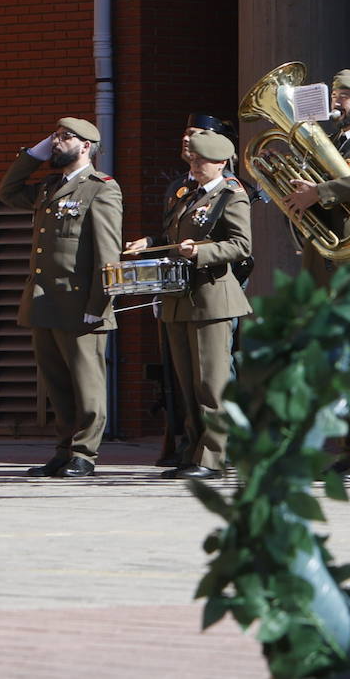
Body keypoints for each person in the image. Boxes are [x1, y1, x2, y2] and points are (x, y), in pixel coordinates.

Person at [0, 117, 122, 478]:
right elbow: (7, 191)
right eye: (54, 136)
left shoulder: (101, 188)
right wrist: (33, 155)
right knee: (57, 384)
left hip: (80, 303)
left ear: (86, 146)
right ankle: (64, 450)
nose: (56, 142)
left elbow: (108, 253)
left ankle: (85, 453)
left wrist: (99, 304)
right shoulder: (50, 186)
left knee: (87, 384)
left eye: (65, 137)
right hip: (45, 301)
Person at [282, 70, 350, 482]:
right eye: (335, 94)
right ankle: (348, 447)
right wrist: (298, 198)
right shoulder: (331, 142)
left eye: (345, 96)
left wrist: (319, 192)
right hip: (324, 261)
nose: (336, 102)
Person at [126, 130, 253, 480]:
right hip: (180, 300)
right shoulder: (188, 194)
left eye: (202, 162)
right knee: (188, 385)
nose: (195, 166)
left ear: (221, 163)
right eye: (193, 160)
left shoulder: (231, 195)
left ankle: (213, 457)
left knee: (212, 384)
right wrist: (149, 242)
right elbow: (174, 238)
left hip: (212, 298)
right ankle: (193, 451)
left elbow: (241, 245)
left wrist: (201, 252)